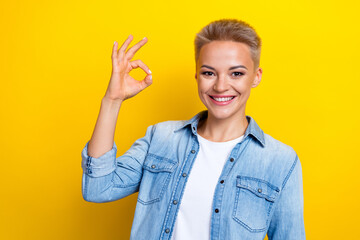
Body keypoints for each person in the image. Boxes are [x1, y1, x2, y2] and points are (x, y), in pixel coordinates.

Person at [81, 19, 305, 240]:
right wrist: (112, 100)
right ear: (197, 75)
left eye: (236, 73)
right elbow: (98, 188)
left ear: (256, 77)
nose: (220, 86)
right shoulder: (161, 138)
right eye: (209, 73)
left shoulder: (281, 161)